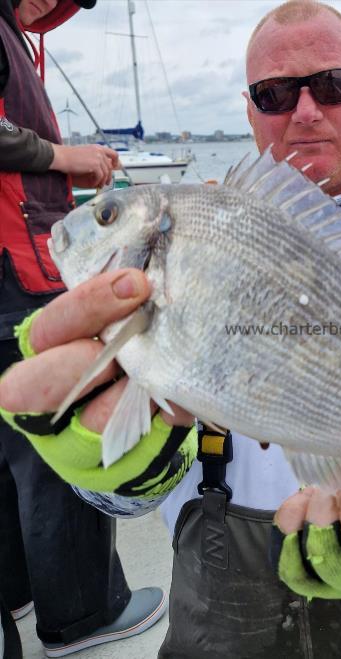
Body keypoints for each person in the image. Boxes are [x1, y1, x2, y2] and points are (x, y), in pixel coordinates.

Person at [0, 1, 341, 656]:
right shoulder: (193, 245)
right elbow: (119, 504)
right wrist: (106, 466)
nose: (305, 110)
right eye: (275, 94)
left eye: (332, 85)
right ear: (250, 111)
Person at [0, 0, 168, 655]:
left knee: (10, 432)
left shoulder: (18, 32)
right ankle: (84, 614)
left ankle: (16, 584)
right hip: (21, 262)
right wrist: (65, 157)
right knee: (53, 429)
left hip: (22, 258)